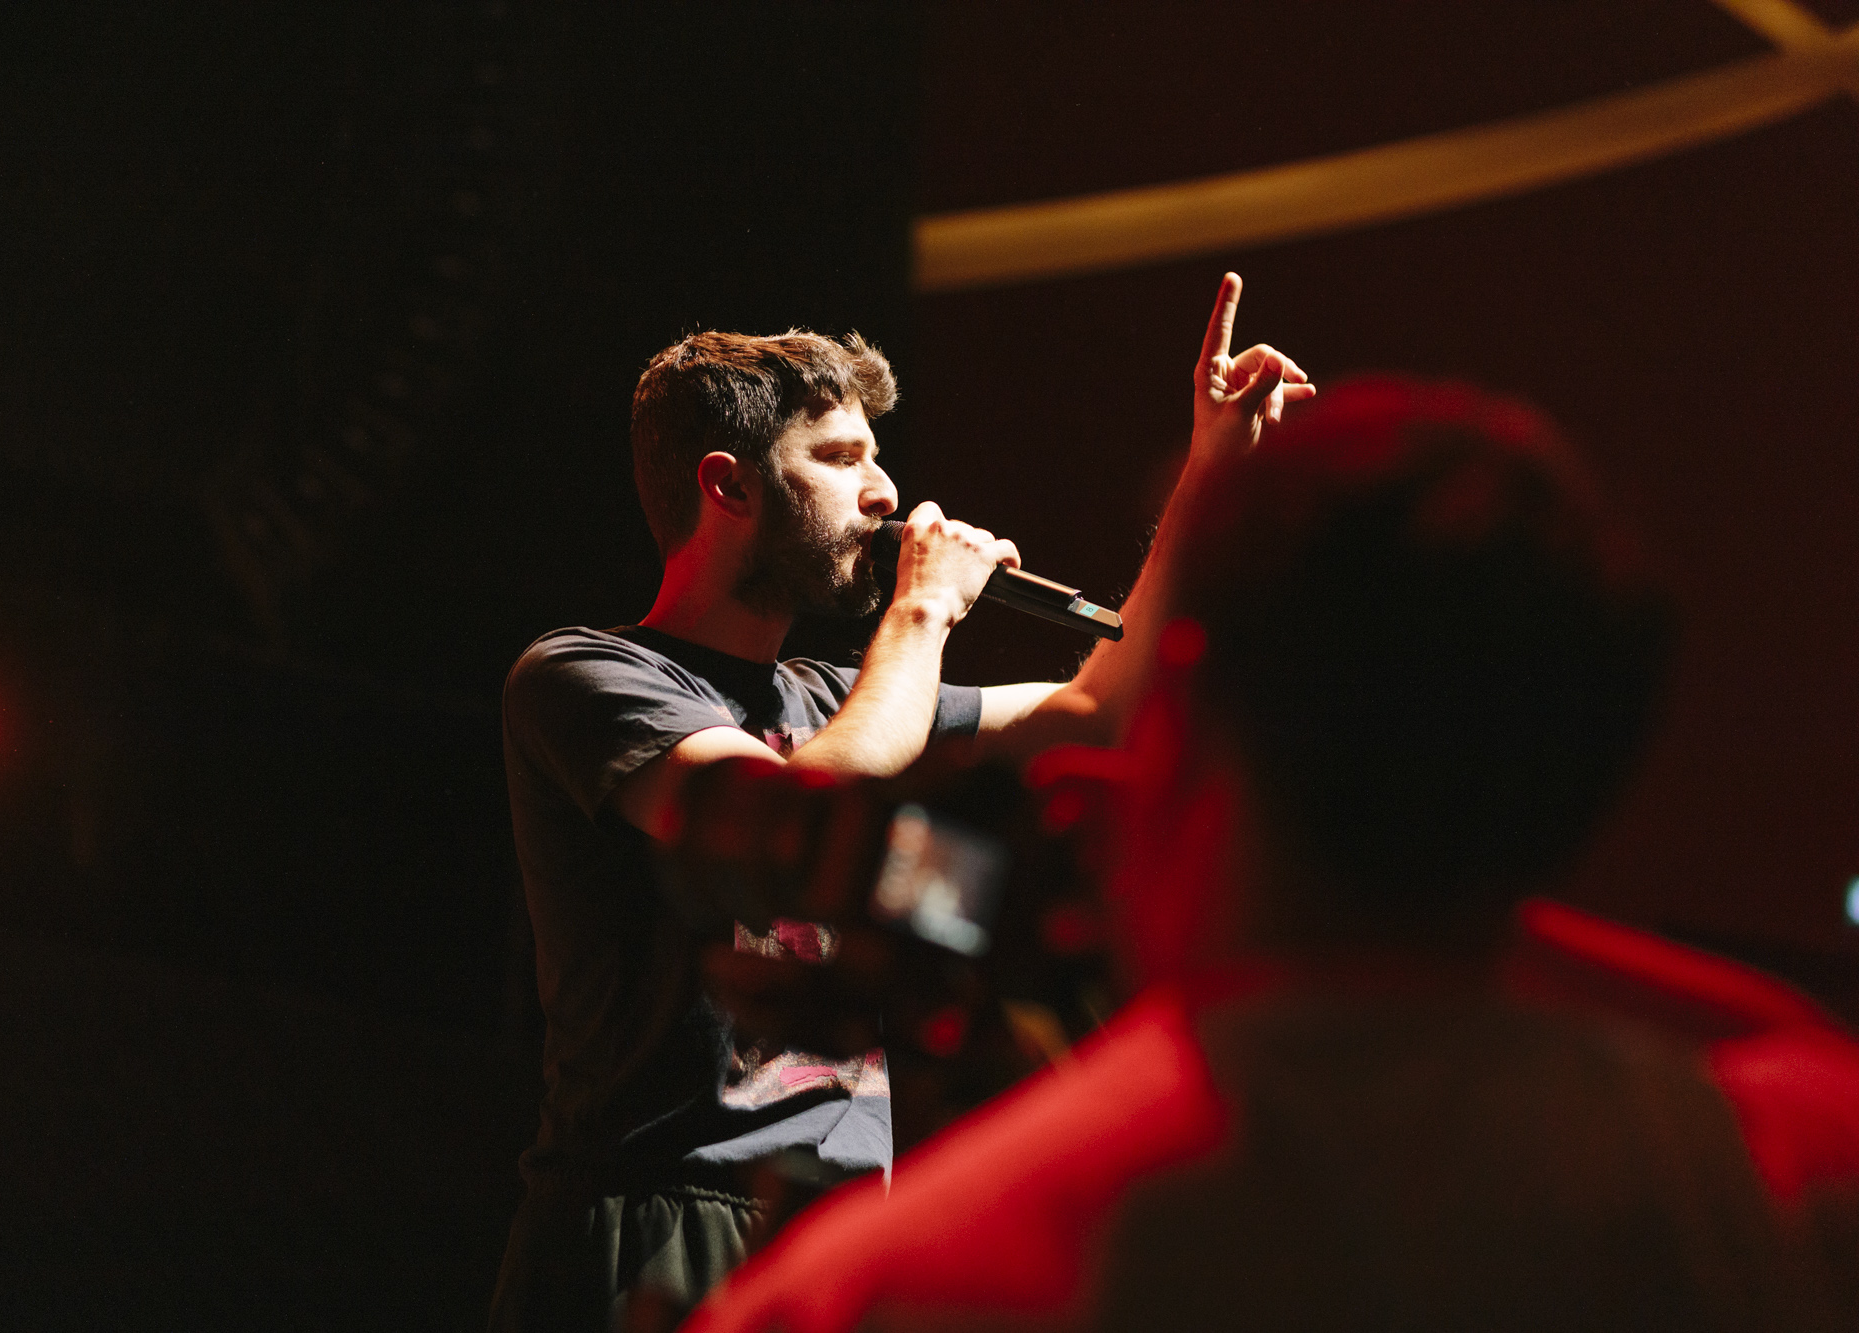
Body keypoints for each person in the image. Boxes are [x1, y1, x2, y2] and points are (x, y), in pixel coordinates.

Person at [686, 379, 1859, 1332]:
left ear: (1181, 707)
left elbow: (1062, 714)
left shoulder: (877, 1287)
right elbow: (1795, 1045)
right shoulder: (1783, 1182)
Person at [490, 277, 1313, 1330]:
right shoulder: (587, 676)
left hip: (836, 1227)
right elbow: (795, 817)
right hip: (663, 1216)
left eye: (877, 456)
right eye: (840, 458)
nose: (885, 494)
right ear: (727, 486)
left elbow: (1100, 707)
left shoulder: (842, 694)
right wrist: (923, 609)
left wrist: (1213, 466)